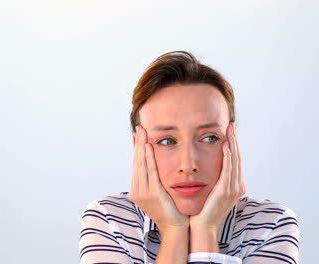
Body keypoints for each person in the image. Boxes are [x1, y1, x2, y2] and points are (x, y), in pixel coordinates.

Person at [79, 51, 300, 264]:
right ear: (139, 146)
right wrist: (173, 231)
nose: (188, 165)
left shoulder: (271, 224)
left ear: (232, 142)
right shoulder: (109, 219)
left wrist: (206, 231)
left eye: (210, 138)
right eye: (167, 141)